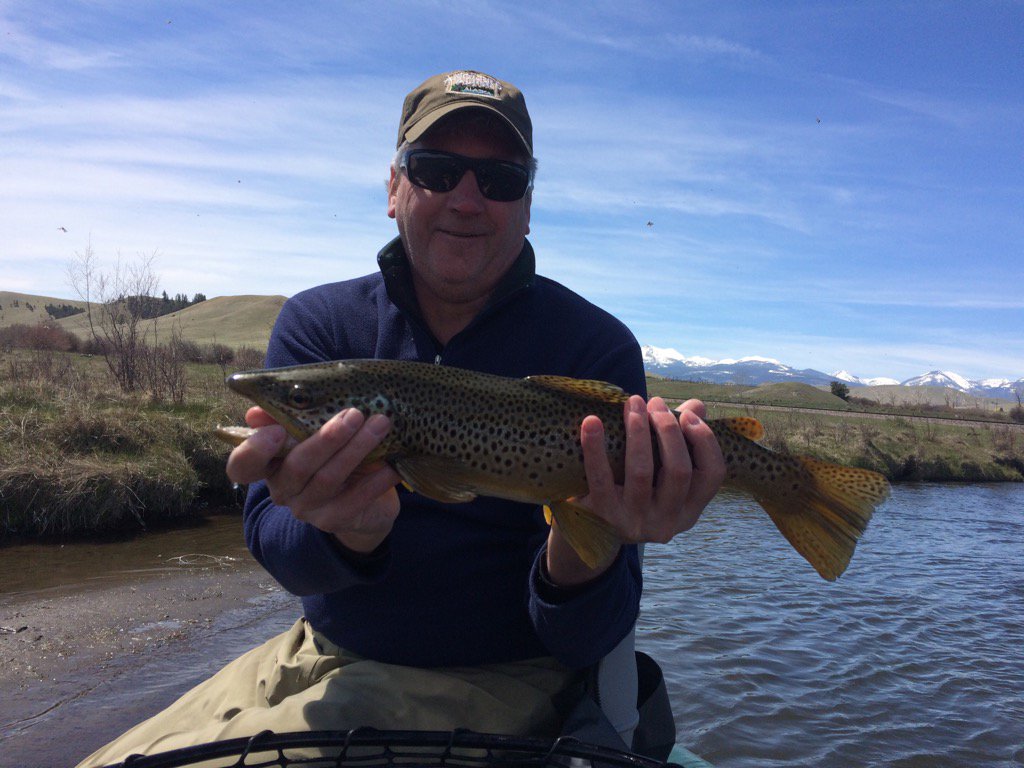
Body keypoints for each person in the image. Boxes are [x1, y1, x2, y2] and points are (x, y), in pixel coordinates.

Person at [78, 70, 725, 767]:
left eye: (500, 180)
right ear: (394, 188)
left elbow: (586, 638)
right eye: (437, 170)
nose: (467, 199)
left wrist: (583, 546)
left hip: (506, 683)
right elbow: (277, 547)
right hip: (315, 653)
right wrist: (349, 533)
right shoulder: (321, 324)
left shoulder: (595, 345)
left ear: (528, 207)